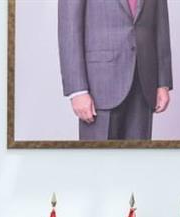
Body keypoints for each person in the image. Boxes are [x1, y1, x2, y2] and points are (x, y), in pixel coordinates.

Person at [58, 0, 172, 141]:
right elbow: (69, 26)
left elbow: (161, 20)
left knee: (138, 160)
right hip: (100, 86)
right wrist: (77, 90)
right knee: (99, 161)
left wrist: (163, 82)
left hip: (143, 82)